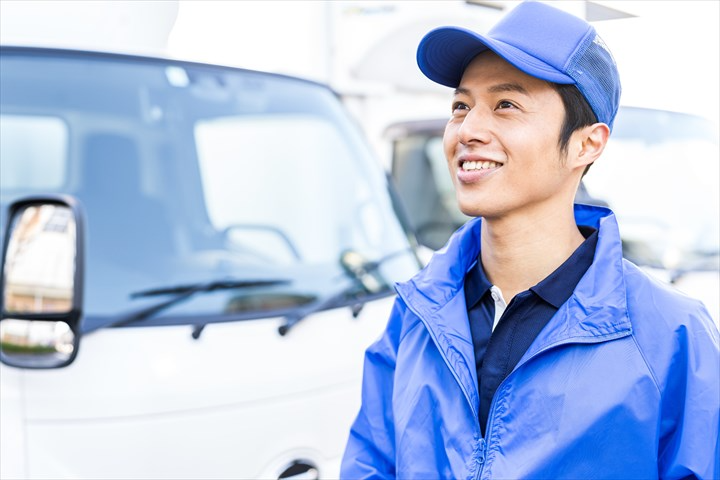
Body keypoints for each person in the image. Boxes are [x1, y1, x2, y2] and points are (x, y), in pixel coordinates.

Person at [340, 1, 720, 479]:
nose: (469, 130)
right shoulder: (417, 313)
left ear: (587, 143)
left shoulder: (670, 334)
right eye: (461, 106)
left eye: (506, 105)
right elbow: (370, 464)